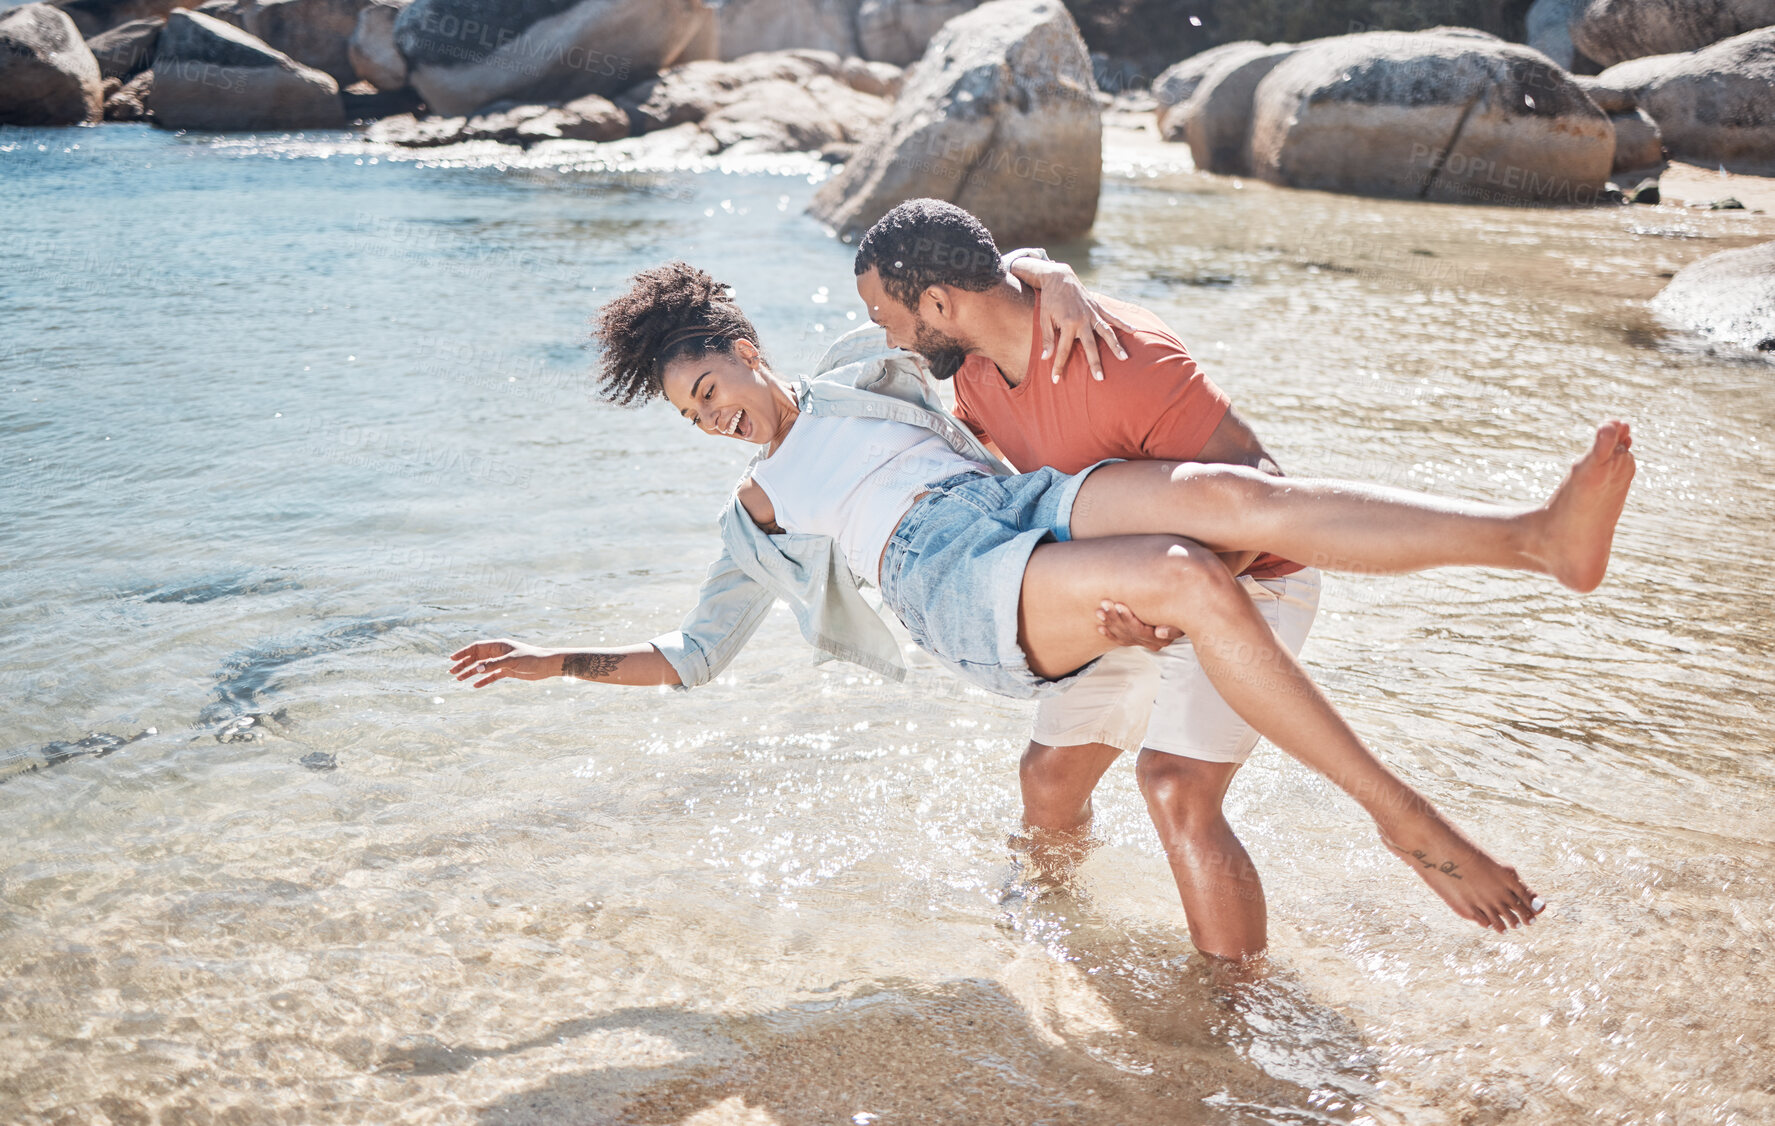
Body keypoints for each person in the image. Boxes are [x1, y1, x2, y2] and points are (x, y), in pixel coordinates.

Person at [448, 260, 1638, 936]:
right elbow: (693, 655)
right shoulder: (755, 515)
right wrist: (557, 662)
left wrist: (1052, 276)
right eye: (694, 416)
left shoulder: (870, 375)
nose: (716, 417)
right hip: (950, 576)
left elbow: (957, 295)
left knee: (1218, 509)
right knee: (1181, 579)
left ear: (747, 348)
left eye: (712, 386)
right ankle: (1400, 816)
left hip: (1029, 514)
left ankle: (1531, 539)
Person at [849, 198, 1312, 960]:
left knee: (1174, 788)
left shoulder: (1123, 358)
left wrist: (1190, 599)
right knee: (1049, 776)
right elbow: (999, 272)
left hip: (1253, 577)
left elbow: (1261, 488)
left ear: (937, 302)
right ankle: (1048, 934)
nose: (884, 334)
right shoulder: (971, 373)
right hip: (1127, 580)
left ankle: (1235, 1007)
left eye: (883, 314)